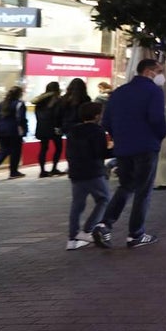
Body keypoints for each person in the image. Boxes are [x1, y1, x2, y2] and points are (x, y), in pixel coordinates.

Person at [92, 59, 166, 249]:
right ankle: (136, 234)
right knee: (143, 191)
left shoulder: (119, 92)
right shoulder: (154, 91)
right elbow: (157, 119)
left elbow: (106, 121)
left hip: (123, 148)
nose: (161, 75)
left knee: (126, 186)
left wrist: (120, 137)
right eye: (159, 71)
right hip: (146, 146)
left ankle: (104, 225)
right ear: (149, 72)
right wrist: (159, 136)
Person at [65, 101, 111, 250]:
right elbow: (100, 153)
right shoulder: (97, 131)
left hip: (76, 172)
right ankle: (88, 230)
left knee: (77, 204)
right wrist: (113, 149)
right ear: (97, 116)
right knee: (104, 199)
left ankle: (72, 238)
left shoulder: (73, 130)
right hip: (93, 171)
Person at [0, 86, 28, 181]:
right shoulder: (19, 104)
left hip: (2, 131)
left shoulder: (2, 104)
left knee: (3, 151)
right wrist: (24, 131)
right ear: (19, 94)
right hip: (14, 131)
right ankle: (13, 172)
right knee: (15, 152)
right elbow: (22, 119)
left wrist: (1, 124)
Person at [31, 81, 63, 178]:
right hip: (54, 127)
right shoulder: (57, 99)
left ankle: (42, 171)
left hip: (42, 127)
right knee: (58, 148)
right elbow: (58, 114)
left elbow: (37, 114)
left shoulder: (40, 100)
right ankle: (54, 168)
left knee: (43, 149)